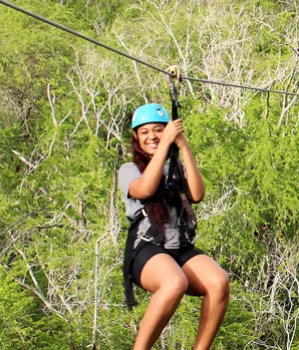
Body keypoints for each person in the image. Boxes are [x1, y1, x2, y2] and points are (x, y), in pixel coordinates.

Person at [118, 103, 229, 350]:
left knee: (219, 282)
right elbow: (146, 189)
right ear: (136, 138)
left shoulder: (174, 168)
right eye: (145, 132)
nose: (152, 136)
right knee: (174, 282)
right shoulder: (129, 170)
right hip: (146, 249)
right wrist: (166, 141)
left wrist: (182, 145)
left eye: (158, 130)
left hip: (178, 246)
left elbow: (197, 194)